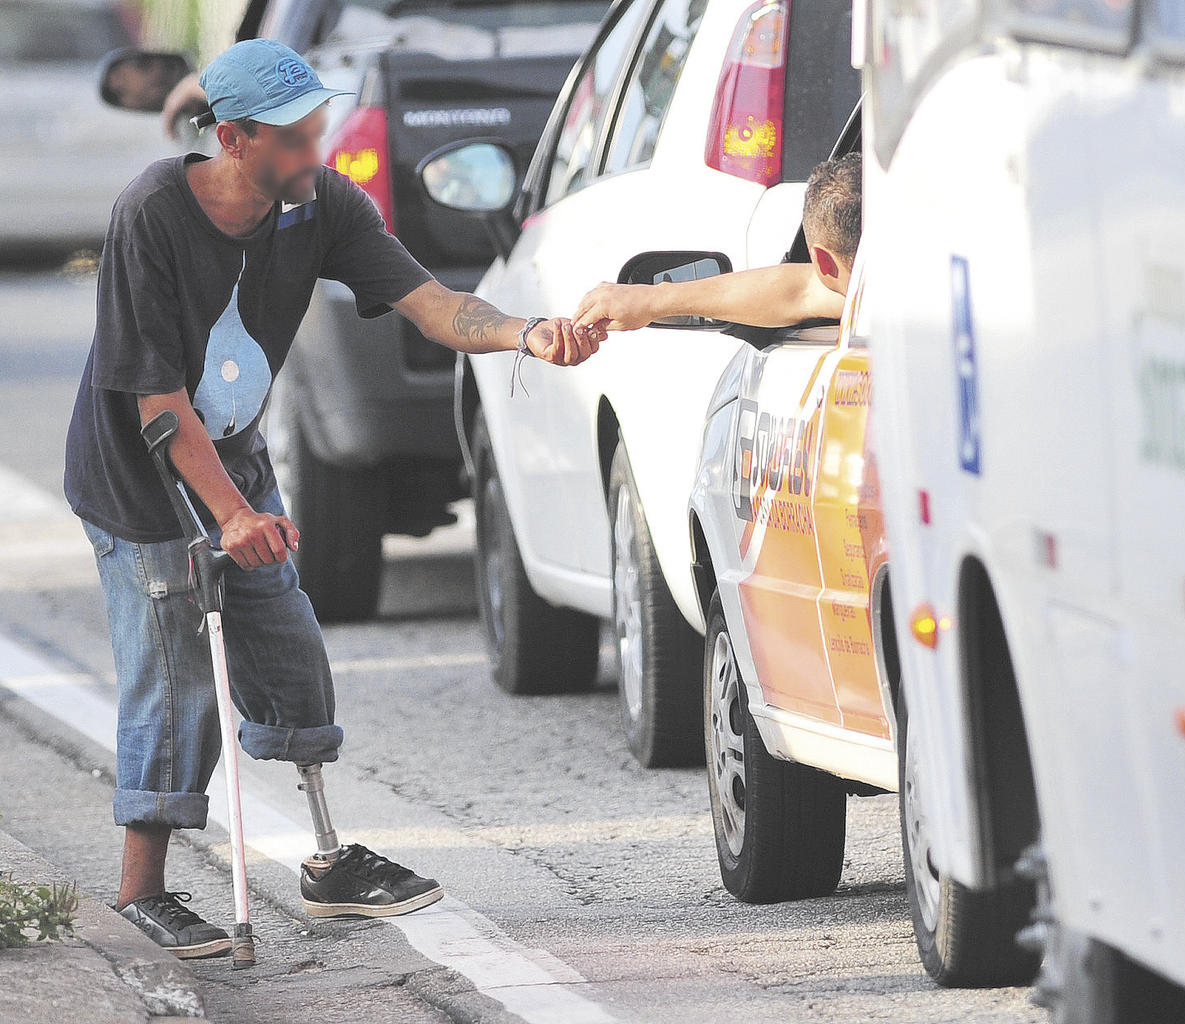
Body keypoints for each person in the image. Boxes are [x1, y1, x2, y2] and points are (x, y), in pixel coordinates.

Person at [65, 38, 604, 959]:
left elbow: (432, 305)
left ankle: (326, 863)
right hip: (138, 477)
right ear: (232, 139)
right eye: (294, 137)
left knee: (290, 648)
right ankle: (141, 889)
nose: (316, 151)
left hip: (234, 461)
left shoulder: (322, 204)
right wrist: (228, 516)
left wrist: (528, 333)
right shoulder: (152, 210)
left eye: (318, 129)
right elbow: (155, 402)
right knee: (177, 669)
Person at [574, 153, 859, 333]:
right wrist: (650, 301)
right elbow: (798, 290)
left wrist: (651, 301)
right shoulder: (878, 289)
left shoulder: (871, 297)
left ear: (822, 261)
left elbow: (801, 291)